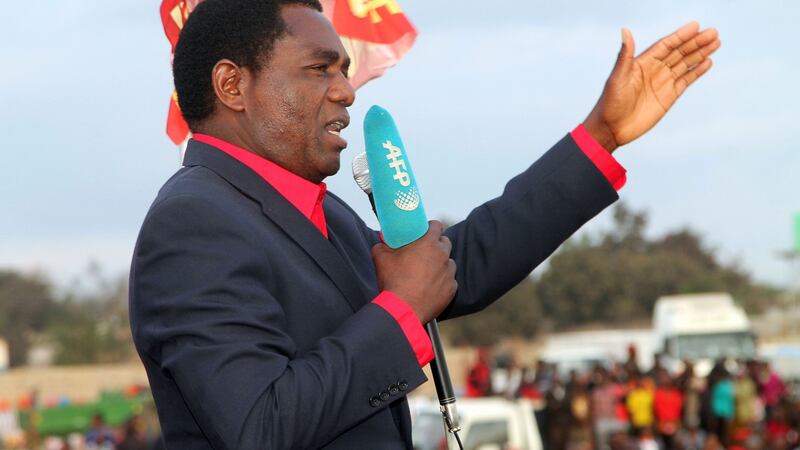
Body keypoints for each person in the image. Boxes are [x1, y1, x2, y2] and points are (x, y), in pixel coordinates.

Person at [128, 0, 720, 448]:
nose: (346, 91)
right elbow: (259, 425)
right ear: (233, 85)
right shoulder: (194, 222)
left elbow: (457, 265)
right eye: (319, 69)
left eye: (344, 70)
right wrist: (402, 312)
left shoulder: (320, 209)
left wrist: (602, 134)